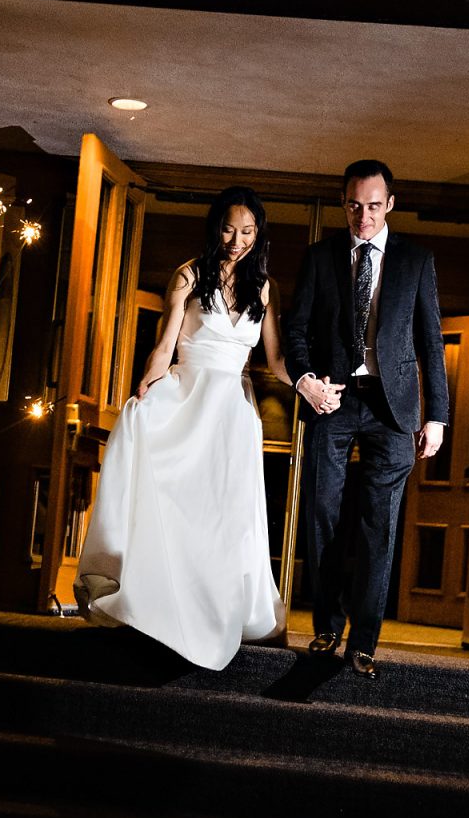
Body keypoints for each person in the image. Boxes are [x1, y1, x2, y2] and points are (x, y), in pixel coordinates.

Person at [75, 187, 290, 668]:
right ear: (216, 226)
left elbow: (275, 361)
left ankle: (218, 607)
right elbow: (166, 344)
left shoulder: (265, 287)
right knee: (183, 509)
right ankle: (166, 604)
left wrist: (312, 386)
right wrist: (143, 390)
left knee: (224, 517)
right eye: (230, 229)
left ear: (260, 235)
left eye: (249, 232)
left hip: (233, 414)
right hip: (188, 398)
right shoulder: (188, 275)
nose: (237, 240)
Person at [279, 161, 449, 680]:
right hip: (333, 399)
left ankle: (365, 642)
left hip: (393, 408)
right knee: (323, 514)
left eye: (374, 205)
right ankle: (327, 625)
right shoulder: (319, 257)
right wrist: (306, 380)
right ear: (343, 203)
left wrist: (437, 416)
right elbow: (296, 331)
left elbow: (430, 342)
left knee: (380, 522)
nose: (364, 216)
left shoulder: (416, 261)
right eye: (354, 205)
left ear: (390, 204)